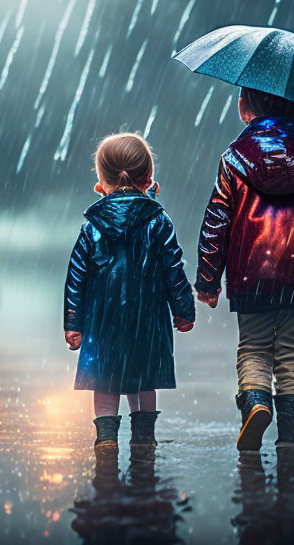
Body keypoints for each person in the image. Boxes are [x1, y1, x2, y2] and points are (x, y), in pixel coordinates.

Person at [195, 87, 294, 451]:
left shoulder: (234, 158)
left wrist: (208, 279)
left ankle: (256, 404)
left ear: (244, 109)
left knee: (253, 348)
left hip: (250, 275)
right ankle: (292, 433)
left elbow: (216, 219)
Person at [64, 132, 196, 449]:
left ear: (100, 184)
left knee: (105, 379)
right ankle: (144, 437)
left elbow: (76, 277)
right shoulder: (159, 221)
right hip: (147, 319)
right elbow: (173, 269)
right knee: (144, 378)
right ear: (148, 180)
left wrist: (73, 322)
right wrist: (183, 310)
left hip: (102, 320)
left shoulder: (92, 225)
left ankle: (106, 437)